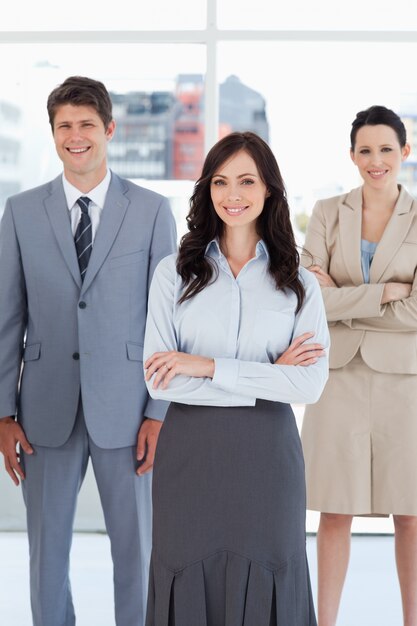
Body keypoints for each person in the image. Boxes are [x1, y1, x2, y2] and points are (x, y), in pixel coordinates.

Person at [0, 76, 177, 626]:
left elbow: (167, 323)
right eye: (64, 127)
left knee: (137, 551)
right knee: (46, 554)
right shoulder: (22, 211)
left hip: (128, 410)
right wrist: (3, 411)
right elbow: (7, 319)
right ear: (53, 133)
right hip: (44, 409)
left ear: (109, 130)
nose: (75, 137)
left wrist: (158, 413)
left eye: (86, 125)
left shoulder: (151, 210)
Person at [143, 131, 329, 626]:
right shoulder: (174, 273)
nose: (233, 194)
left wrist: (203, 365)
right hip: (189, 455)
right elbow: (161, 381)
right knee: (184, 573)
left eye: (247, 181)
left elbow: (308, 386)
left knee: (270, 577)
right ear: (206, 190)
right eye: (220, 182)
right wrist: (270, 375)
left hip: (268, 458)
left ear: (269, 188)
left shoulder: (299, 282)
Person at [301, 105, 417, 626]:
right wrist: (386, 294)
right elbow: (309, 301)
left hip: (405, 381)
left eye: (386, 149)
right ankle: (327, 622)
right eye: (365, 150)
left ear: (405, 153)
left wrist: (348, 297)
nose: (376, 161)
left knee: (411, 514)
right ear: (352, 155)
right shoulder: (328, 212)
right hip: (338, 375)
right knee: (334, 509)